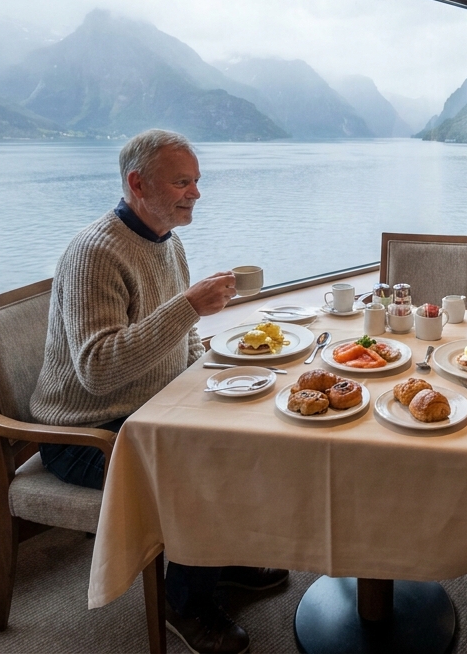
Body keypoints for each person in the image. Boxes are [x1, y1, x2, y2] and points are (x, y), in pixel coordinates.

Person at [29, 128, 285, 654]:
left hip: (149, 407)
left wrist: (215, 374)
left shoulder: (169, 241)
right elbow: (97, 370)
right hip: (84, 431)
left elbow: (185, 340)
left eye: (196, 181)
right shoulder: (94, 254)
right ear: (137, 184)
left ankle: (221, 555)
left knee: (245, 427)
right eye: (182, 182)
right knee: (196, 468)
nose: (195, 193)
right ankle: (183, 602)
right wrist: (188, 305)